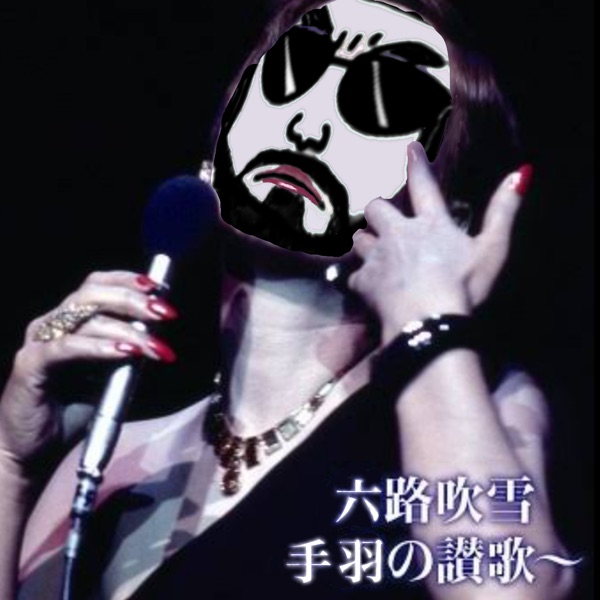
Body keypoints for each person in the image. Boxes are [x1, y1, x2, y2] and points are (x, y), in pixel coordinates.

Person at [0, 0, 578, 598]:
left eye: (381, 106)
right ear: (216, 151)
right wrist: (10, 459)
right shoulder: (109, 461)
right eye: (287, 80)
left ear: (444, 215)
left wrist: (430, 318)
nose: (308, 126)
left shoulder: (488, 411)